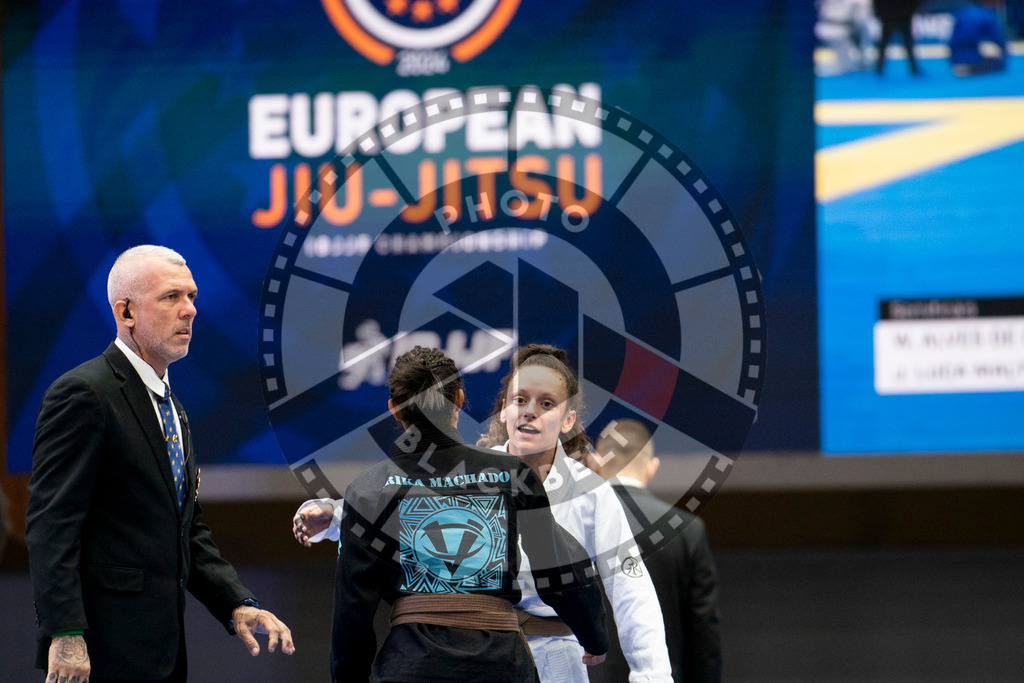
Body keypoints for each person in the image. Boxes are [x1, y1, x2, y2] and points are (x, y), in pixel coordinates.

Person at [25, 245, 294, 683]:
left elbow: (184, 529)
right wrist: (65, 631)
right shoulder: (84, 393)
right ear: (126, 312)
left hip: (161, 652)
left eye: (191, 296)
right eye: (171, 297)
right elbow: (51, 524)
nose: (189, 310)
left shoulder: (172, 408)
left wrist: (236, 602)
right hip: (98, 652)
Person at [330, 345, 608, 682]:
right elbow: (558, 567)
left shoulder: (369, 489)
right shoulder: (511, 473)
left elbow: (354, 609)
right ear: (459, 400)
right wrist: (593, 634)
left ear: (394, 408)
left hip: (410, 667)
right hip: (500, 667)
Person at [477, 344, 672, 683]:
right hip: (479, 654)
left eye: (546, 403)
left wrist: (652, 675)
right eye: (520, 400)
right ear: (504, 410)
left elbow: (630, 589)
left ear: (568, 420)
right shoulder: (469, 479)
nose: (530, 411)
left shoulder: (592, 494)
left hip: (558, 658)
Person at [588, 419, 723, 683]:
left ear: (595, 463)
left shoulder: (573, 524)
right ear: (652, 467)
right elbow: (704, 630)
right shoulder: (688, 530)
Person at [875, 0, 924, 75]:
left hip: (898, 17)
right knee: (885, 43)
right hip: (892, 17)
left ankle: (879, 67)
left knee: (907, 44)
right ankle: (879, 67)